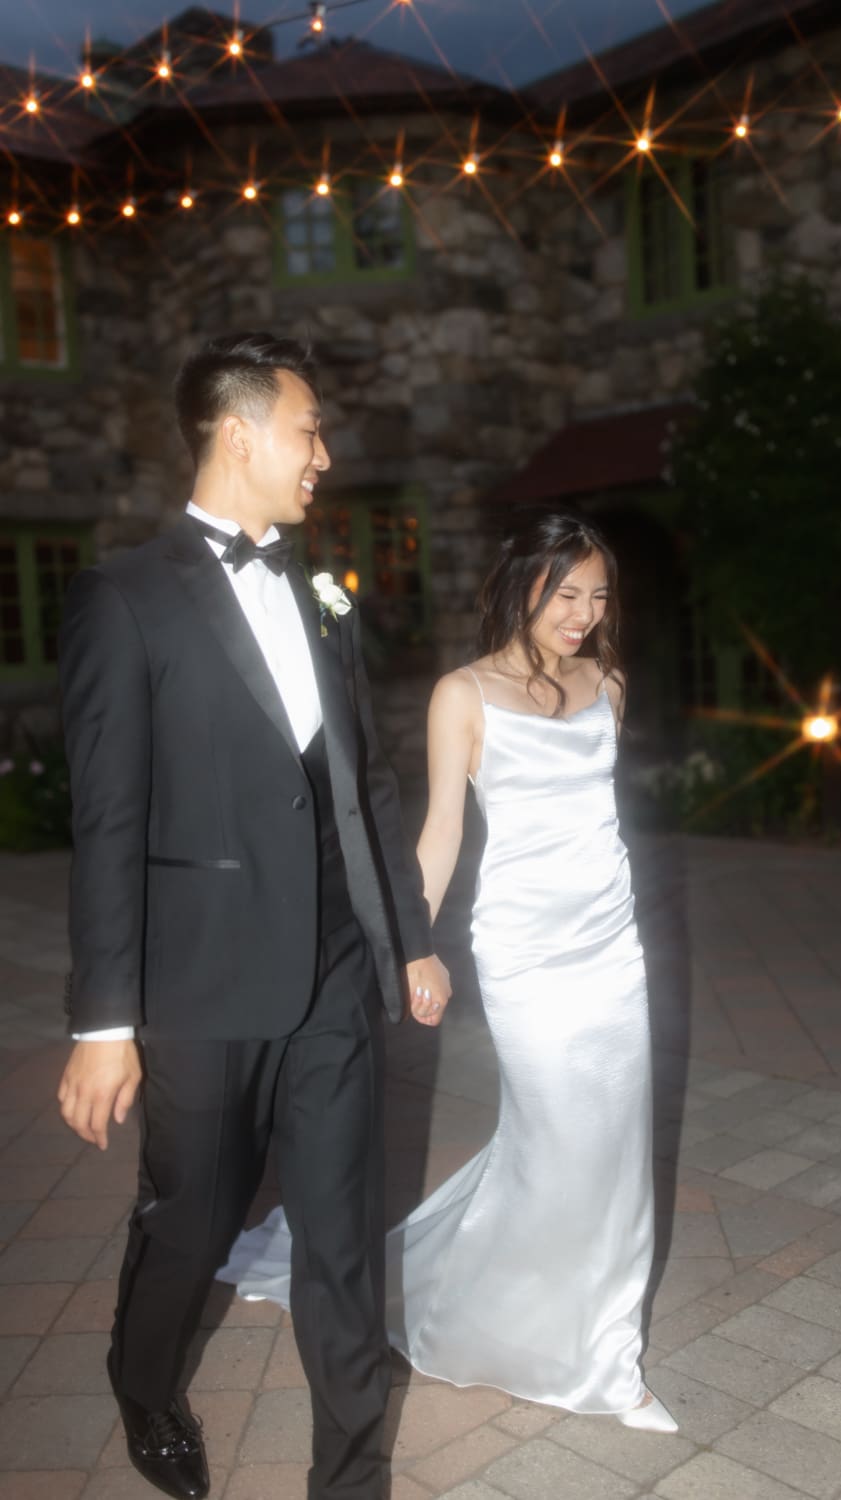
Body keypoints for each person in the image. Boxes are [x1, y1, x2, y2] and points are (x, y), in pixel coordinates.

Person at [56, 330, 450, 1500]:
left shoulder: (325, 596)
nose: (323, 453)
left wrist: (410, 938)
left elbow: (366, 780)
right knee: (192, 1222)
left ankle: (351, 1476)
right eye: (308, 428)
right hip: (201, 984)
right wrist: (102, 1022)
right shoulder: (121, 599)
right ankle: (142, 1377)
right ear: (240, 432)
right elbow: (109, 821)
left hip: (333, 976)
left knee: (341, 1240)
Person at [219, 508, 676, 1433]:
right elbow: (441, 834)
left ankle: (605, 1347)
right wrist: (408, 946)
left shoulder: (609, 684)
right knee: (556, 1138)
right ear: (522, 586)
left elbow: (602, 820)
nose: (582, 613)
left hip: (611, 951)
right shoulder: (461, 695)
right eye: (565, 593)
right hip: (526, 954)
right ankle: (553, 1334)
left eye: (597, 596)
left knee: (616, 1145)